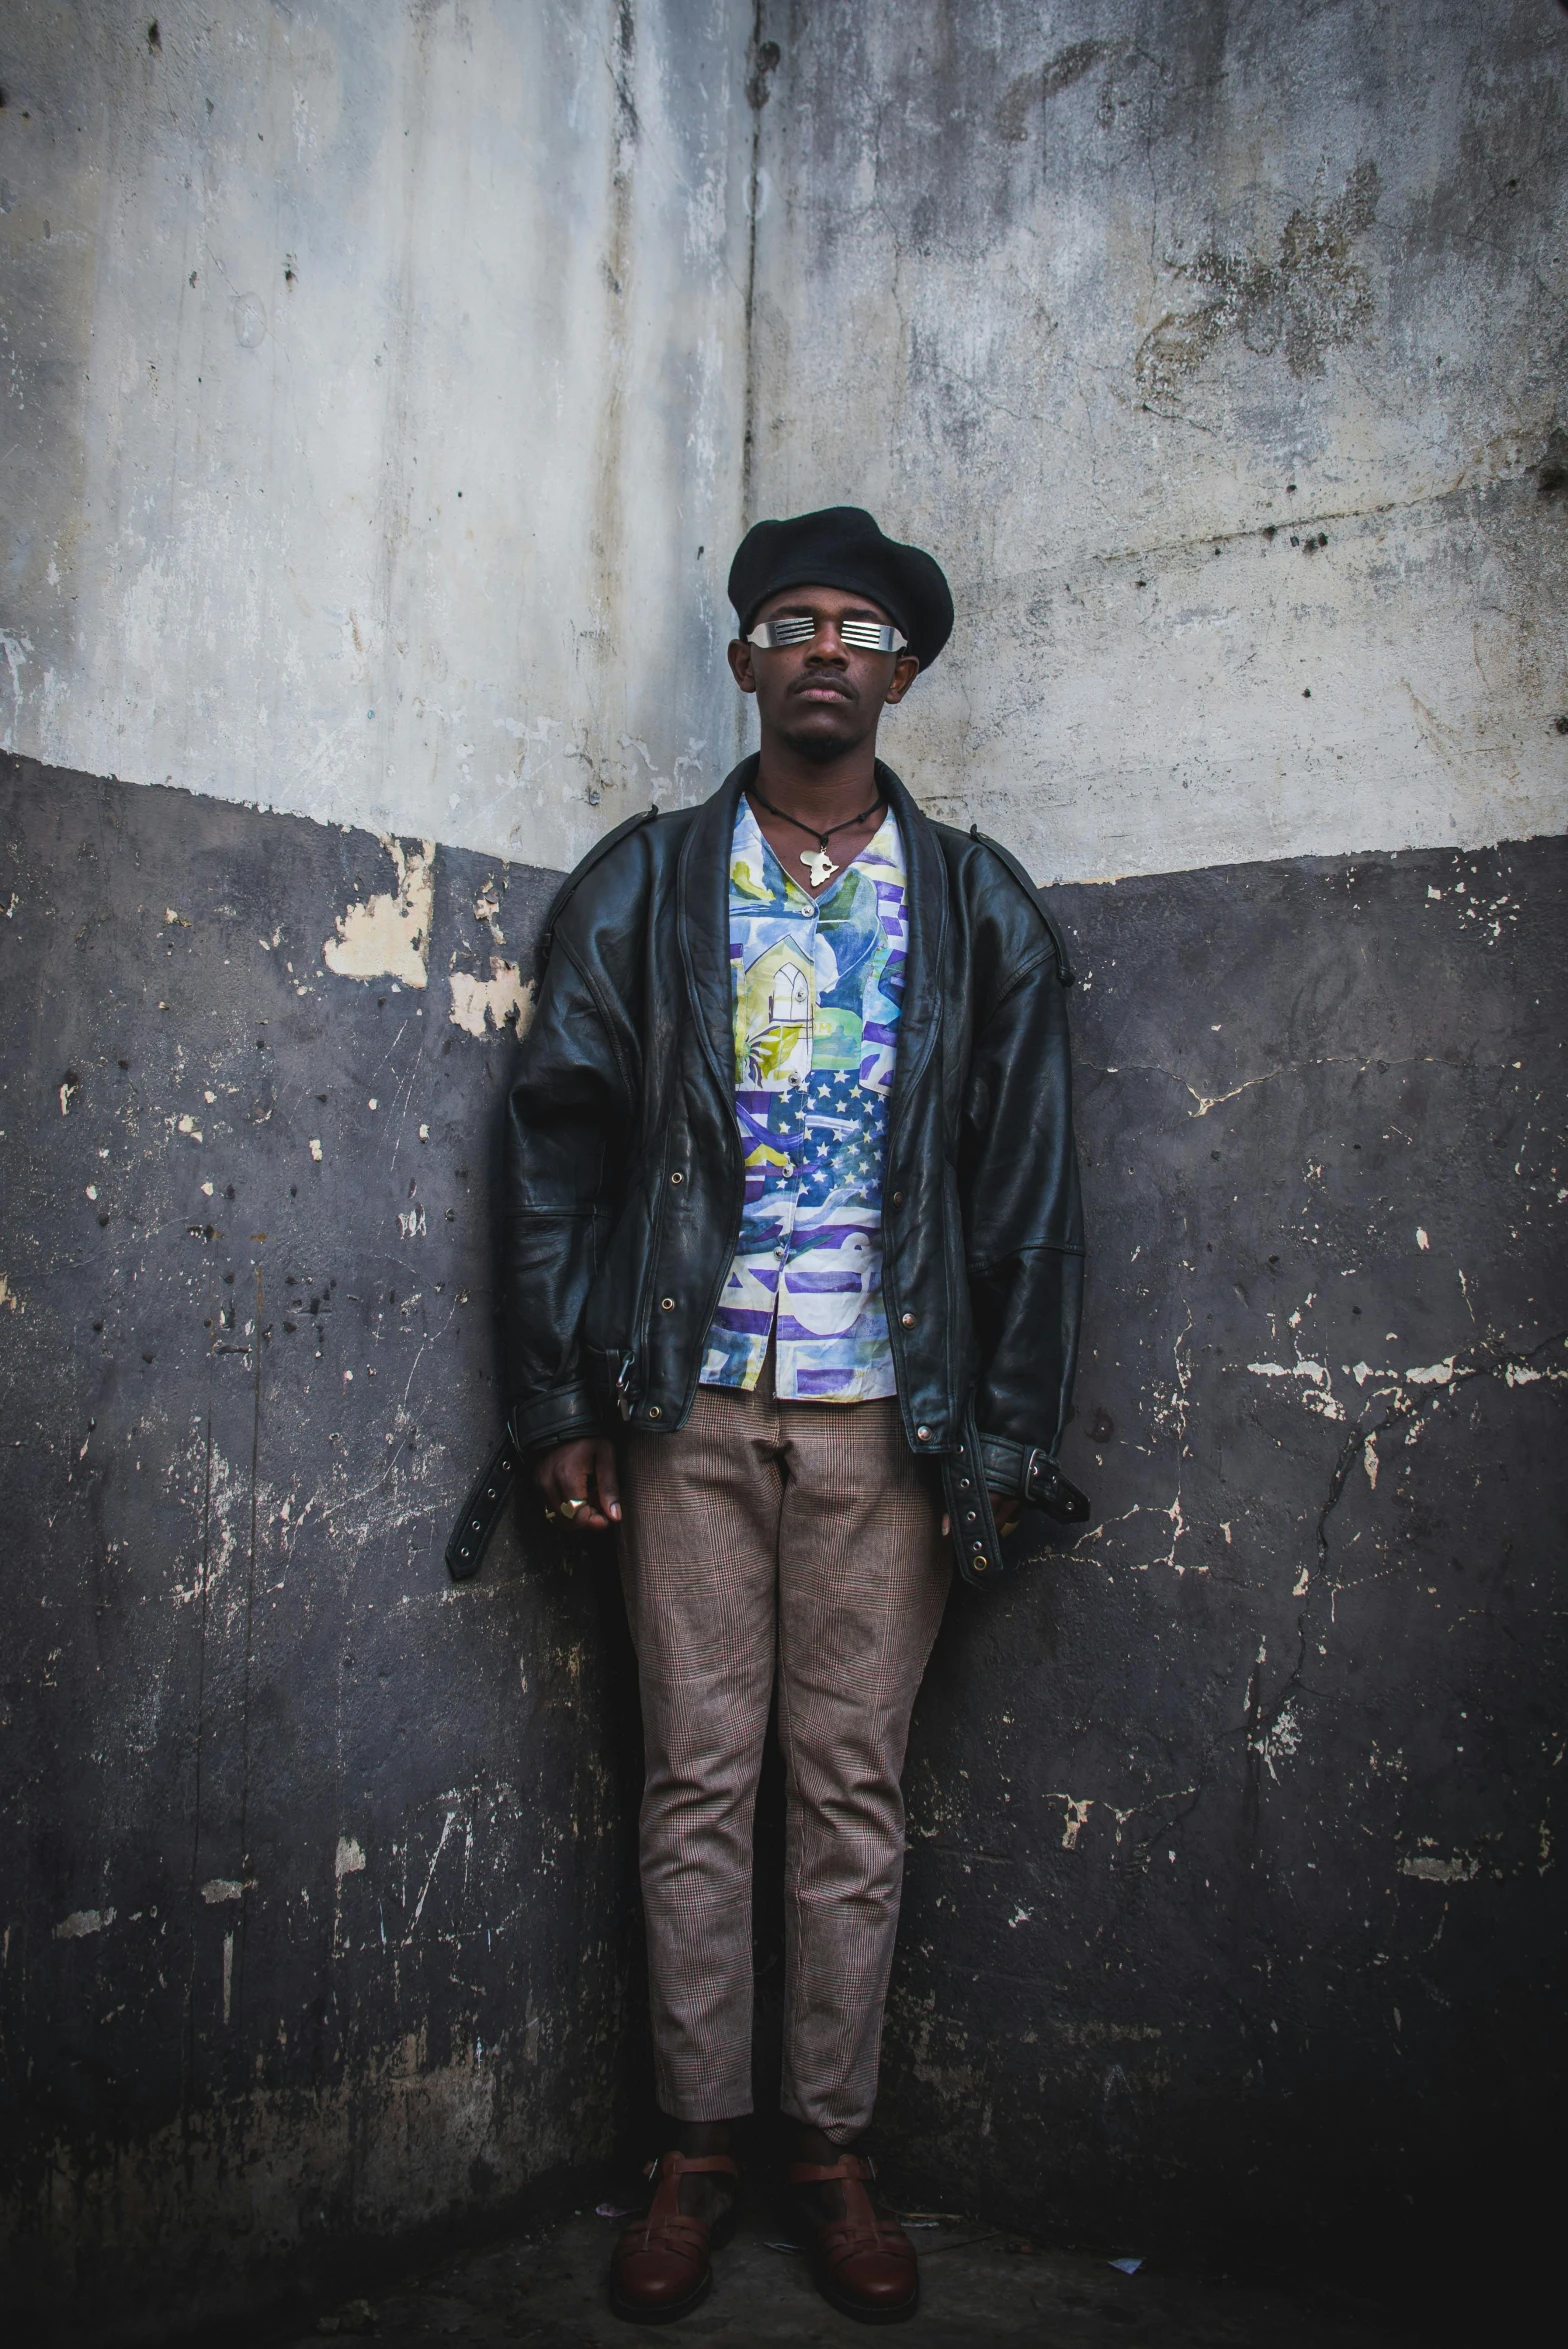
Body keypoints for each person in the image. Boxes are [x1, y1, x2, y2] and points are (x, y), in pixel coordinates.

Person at [502, 507, 1086, 2325]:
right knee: (695, 1782)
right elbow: (559, 1149)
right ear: (749, 664)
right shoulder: (649, 879)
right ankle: (695, 2149)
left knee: (848, 1788)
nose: (822, 646)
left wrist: (997, 1427)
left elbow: (1024, 1185)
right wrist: (558, 1407)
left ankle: (826, 2154)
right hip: (683, 1397)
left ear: (901, 673)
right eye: (787, 621)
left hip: (881, 1415)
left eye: (857, 627)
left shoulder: (975, 896)